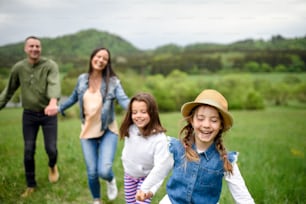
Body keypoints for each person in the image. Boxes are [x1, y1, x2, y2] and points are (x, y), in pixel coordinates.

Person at [137, 89, 255, 204]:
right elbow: (159, 171)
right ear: (192, 121)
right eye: (200, 119)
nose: (206, 125)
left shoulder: (225, 160)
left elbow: (242, 195)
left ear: (221, 125)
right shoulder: (176, 149)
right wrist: (145, 189)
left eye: (214, 120)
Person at [57, 47, 130, 204]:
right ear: (92, 58)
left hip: (108, 130)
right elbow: (73, 97)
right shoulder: (82, 79)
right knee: (91, 172)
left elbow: (123, 100)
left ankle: (110, 180)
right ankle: (97, 200)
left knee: (103, 170)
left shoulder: (113, 82)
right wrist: (59, 108)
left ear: (107, 63)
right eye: (98, 56)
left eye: (105, 58)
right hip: (88, 131)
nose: (101, 60)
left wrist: (139, 109)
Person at [0, 36, 61, 197]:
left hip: (49, 114)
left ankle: (52, 165)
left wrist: (53, 102)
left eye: (37, 46)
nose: (35, 49)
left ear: (41, 49)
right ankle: (31, 185)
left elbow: (54, 83)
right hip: (29, 115)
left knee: (51, 149)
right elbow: (8, 91)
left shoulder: (50, 65)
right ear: (25, 49)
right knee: (28, 150)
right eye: (31, 46)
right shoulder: (18, 68)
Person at [119, 92, 173, 204]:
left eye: (143, 112)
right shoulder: (130, 129)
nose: (138, 115)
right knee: (130, 202)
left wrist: (150, 190)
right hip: (130, 175)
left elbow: (161, 168)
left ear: (152, 113)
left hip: (147, 178)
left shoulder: (159, 139)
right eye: (134, 112)